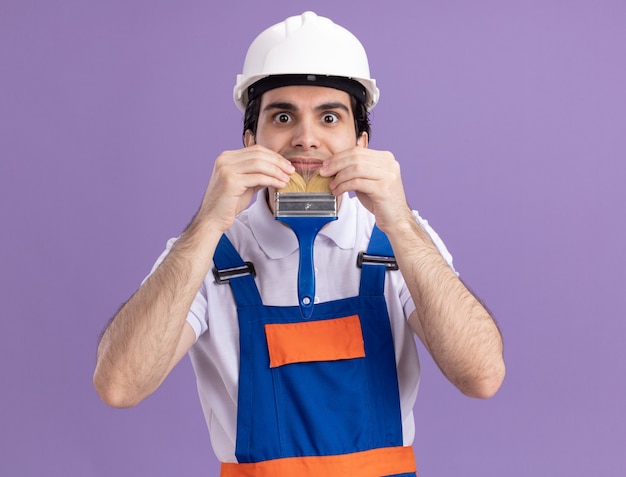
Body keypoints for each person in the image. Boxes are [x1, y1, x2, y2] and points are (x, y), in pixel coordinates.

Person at [94, 11, 505, 477]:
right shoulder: (207, 250)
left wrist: (402, 226)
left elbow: (482, 377)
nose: (306, 138)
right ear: (251, 141)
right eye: (283, 116)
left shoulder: (401, 244)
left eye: (329, 117)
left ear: (361, 142)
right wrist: (208, 223)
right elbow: (119, 387)